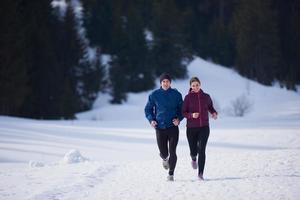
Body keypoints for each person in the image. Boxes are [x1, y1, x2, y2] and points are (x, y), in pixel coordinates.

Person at [144, 73, 183, 181]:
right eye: (163, 81)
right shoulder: (154, 95)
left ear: (170, 82)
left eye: (167, 81)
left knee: (173, 151)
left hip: (173, 127)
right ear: (160, 83)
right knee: (164, 153)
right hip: (160, 128)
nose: (165, 83)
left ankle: (171, 174)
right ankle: (165, 158)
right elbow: (148, 109)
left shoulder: (176, 94)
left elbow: (182, 110)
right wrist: (151, 120)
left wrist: (179, 119)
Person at [182, 77, 217, 180]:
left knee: (202, 150)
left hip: (204, 127)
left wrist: (214, 113)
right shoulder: (187, 98)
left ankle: (200, 173)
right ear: (190, 87)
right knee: (194, 151)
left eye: (197, 85)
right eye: (193, 85)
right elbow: (183, 112)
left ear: (200, 85)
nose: (195, 87)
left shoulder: (206, 96)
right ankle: (193, 158)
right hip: (191, 128)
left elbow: (210, 107)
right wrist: (192, 115)